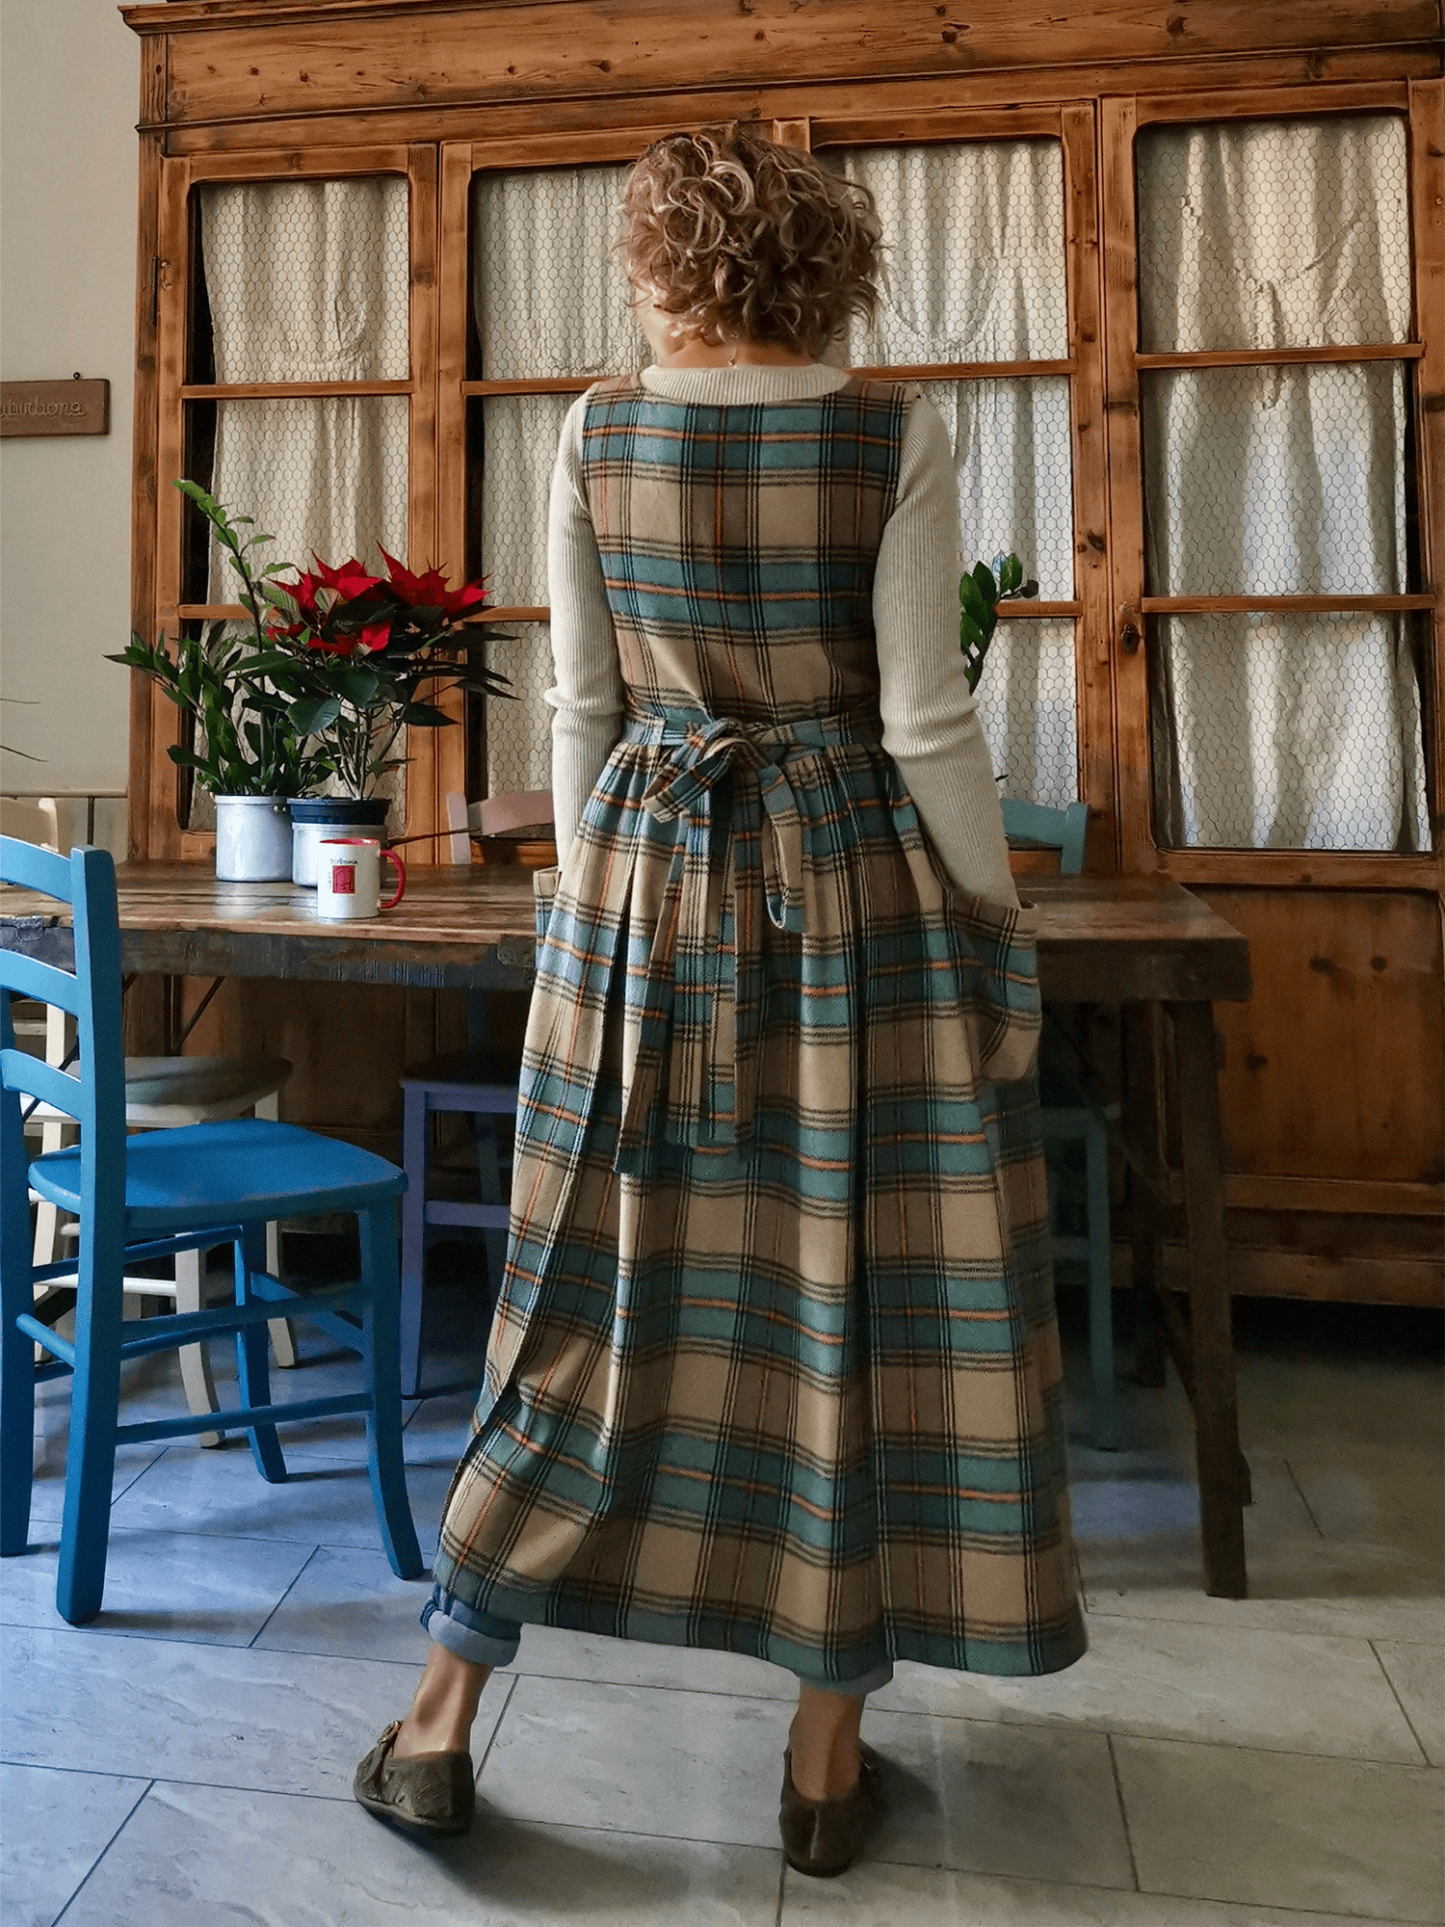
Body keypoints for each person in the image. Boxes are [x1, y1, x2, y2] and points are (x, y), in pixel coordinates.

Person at [354, 122, 1085, 1879]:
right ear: (827, 263)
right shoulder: (895, 425)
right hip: (856, 908)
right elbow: (923, 721)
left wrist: (579, 925)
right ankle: (824, 1762)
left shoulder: (597, 427)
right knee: (851, 1287)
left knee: (583, 1285)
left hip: (645, 893)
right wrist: (997, 927)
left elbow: (583, 719)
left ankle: (443, 1714)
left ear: (662, 261)